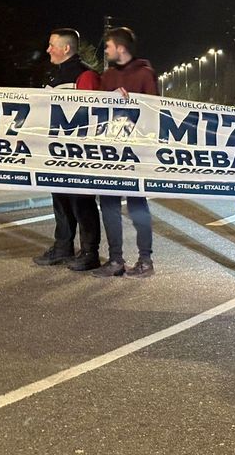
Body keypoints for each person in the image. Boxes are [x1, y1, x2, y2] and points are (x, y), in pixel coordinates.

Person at [33, 28, 103, 271]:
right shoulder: (54, 77)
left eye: (52, 45)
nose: (47, 49)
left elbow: (93, 116)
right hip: (56, 153)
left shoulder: (85, 76)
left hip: (78, 156)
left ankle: (89, 252)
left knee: (81, 202)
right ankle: (63, 247)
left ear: (66, 48)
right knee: (61, 201)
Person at [92, 27, 158, 278]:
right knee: (108, 204)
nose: (106, 50)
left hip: (135, 152)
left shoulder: (145, 74)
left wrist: (132, 103)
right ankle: (115, 259)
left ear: (120, 47)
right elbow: (97, 109)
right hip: (110, 150)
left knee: (137, 204)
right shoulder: (107, 76)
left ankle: (145, 259)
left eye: (108, 46)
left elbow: (154, 111)